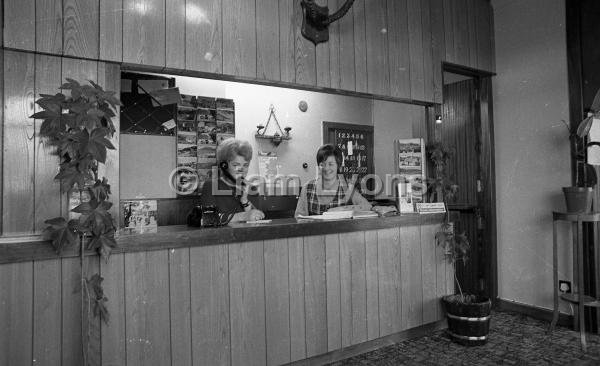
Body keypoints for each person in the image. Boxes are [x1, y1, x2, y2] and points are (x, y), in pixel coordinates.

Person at [295, 144, 372, 217]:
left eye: (330, 164)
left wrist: (340, 210)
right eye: (322, 164)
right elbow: (299, 218)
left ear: (338, 165)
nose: (326, 168)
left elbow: (367, 207)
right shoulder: (307, 188)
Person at [200, 139, 265, 222]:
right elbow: (209, 218)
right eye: (235, 165)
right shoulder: (211, 185)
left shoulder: (251, 188)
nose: (241, 169)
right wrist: (242, 216)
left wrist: (245, 202)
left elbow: (258, 219)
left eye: (246, 165)